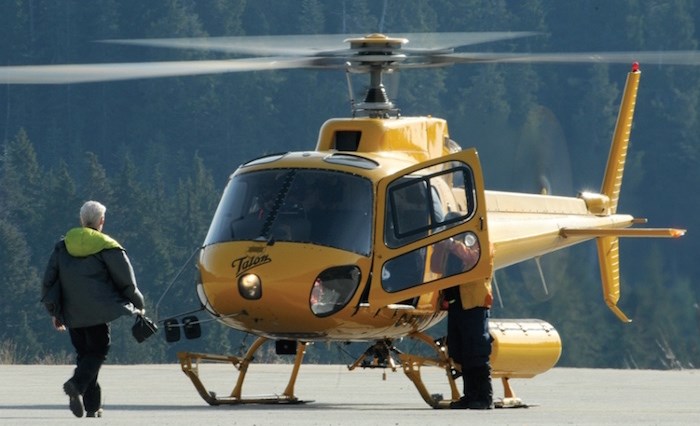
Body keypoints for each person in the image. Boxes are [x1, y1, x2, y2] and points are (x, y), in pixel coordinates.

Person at [41, 200, 146, 418]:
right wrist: (138, 303)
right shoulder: (108, 247)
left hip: (72, 314)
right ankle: (76, 385)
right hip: (99, 313)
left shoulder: (63, 246)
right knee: (98, 351)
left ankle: (92, 407)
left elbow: (49, 282)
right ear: (101, 221)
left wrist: (55, 311)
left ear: (81, 220)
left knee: (85, 356)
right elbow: (126, 281)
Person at [431, 234, 494, 410]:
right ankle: (470, 395)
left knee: (477, 350)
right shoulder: (451, 248)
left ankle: (485, 396)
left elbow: (474, 259)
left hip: (474, 304)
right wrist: (439, 247)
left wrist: (452, 245)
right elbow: (435, 267)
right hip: (455, 303)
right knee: (460, 351)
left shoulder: (482, 242)